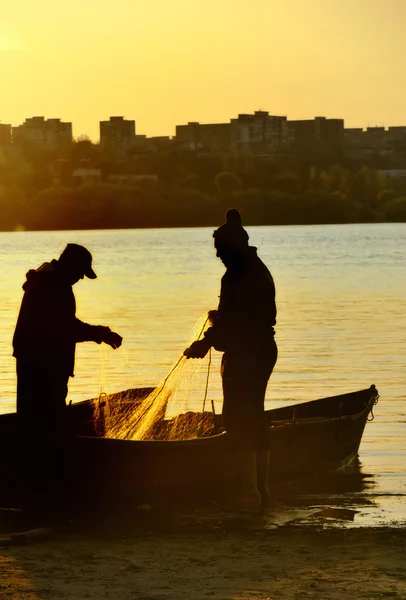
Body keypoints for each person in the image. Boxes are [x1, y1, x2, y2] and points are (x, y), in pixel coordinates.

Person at [12, 243, 123, 517]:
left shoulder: (47, 281)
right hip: (44, 367)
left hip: (33, 364)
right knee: (46, 427)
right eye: (80, 273)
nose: (80, 279)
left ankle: (35, 493)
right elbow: (65, 326)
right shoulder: (54, 286)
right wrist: (101, 333)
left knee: (34, 425)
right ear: (70, 267)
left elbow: (62, 325)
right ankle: (44, 495)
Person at [184, 209, 277, 511]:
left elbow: (235, 324)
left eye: (221, 251)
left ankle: (248, 492)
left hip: (247, 353)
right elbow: (238, 317)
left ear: (232, 247)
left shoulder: (237, 274)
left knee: (239, 418)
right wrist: (217, 328)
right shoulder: (257, 267)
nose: (218, 257)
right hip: (262, 350)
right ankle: (262, 489)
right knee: (255, 416)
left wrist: (206, 341)